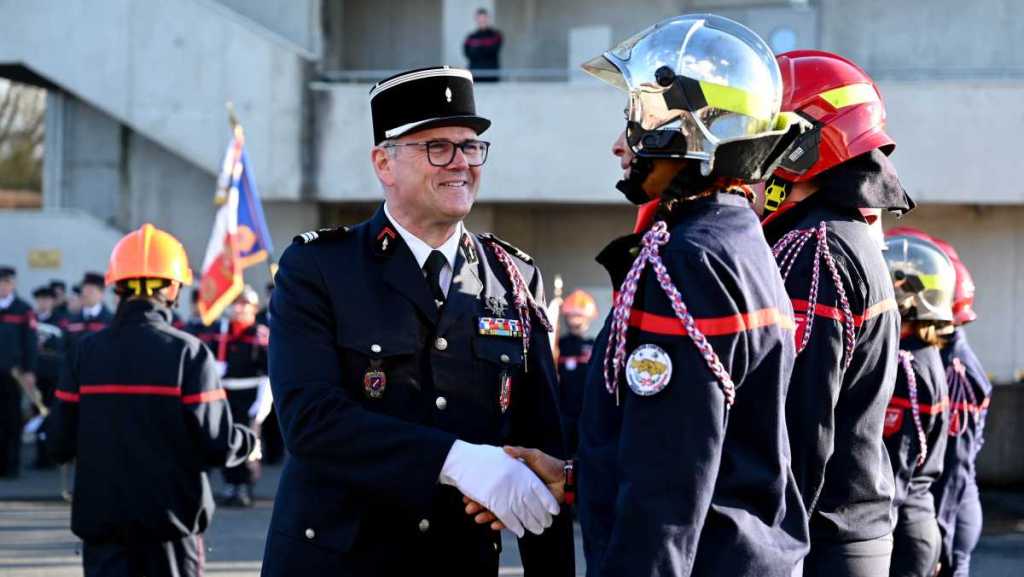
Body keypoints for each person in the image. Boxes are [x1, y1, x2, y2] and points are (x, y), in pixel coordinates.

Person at [480, 14, 805, 576]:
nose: (619, 144)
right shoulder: (736, 238)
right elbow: (708, 446)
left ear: (689, 130)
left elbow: (668, 485)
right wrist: (578, 476)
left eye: (636, 117)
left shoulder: (687, 260)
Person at [260, 66, 573, 576]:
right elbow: (310, 420)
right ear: (384, 162)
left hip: (459, 562)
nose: (461, 163)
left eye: (471, 146)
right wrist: (458, 461)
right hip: (340, 562)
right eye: (437, 147)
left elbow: (542, 446)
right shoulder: (320, 267)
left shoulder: (513, 276)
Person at [758, 50, 915, 576]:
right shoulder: (842, 235)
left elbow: (800, 425)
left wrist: (766, 543)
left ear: (795, 146)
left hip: (819, 540)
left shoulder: (814, 247)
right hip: (844, 532)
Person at [46, 223, 257, 577]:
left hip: (103, 530)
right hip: (170, 532)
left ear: (116, 286)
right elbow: (217, 445)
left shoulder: (85, 353)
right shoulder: (189, 353)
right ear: (173, 287)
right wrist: (249, 442)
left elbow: (58, 444)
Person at [888, 227, 991, 577]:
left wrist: (942, 537)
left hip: (947, 507)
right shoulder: (930, 360)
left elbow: (955, 466)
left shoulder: (951, 371)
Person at [881, 234, 953, 577]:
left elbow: (896, 466)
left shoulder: (906, 366)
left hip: (900, 528)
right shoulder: (926, 357)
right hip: (917, 520)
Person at [217, 285, 269, 507]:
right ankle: (231, 485)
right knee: (225, 441)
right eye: (235, 303)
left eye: (244, 304)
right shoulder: (223, 333)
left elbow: (268, 373)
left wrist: (262, 403)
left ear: (253, 308)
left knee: (247, 443)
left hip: (249, 395)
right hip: (226, 395)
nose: (239, 308)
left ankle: (245, 486)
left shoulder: (260, 334)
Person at [0, 266, 38, 478]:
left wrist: (30, 371)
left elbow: (30, 343)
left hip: (13, 374)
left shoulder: (23, 309)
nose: (3, 287)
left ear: (13, 285)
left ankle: (11, 466)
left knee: (12, 420)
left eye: (7, 282)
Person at [556, 289, 597, 457]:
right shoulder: (559, 344)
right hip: (563, 411)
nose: (575, 320)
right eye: (572, 316)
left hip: (586, 411)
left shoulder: (594, 345)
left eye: (579, 316)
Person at [32, 285, 65, 469]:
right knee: (37, 416)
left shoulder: (61, 321)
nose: (43, 303)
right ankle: (39, 456)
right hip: (36, 376)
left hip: (54, 376)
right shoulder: (32, 320)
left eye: (47, 299)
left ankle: (52, 456)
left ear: (53, 302)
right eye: (40, 299)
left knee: (53, 416)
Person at [63, 272, 114, 353]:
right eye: (84, 289)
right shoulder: (72, 319)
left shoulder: (111, 321)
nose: (85, 294)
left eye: (90, 290)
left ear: (101, 294)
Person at [463, 8, 503, 82]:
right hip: (475, 75)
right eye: (480, 18)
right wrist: (484, 49)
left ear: (488, 18)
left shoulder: (496, 35)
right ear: (476, 19)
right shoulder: (471, 37)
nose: (482, 20)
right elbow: (468, 54)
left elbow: (493, 51)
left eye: (484, 18)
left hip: (491, 75)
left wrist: (478, 49)